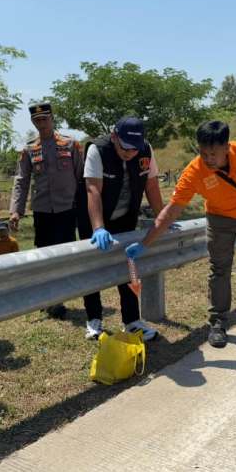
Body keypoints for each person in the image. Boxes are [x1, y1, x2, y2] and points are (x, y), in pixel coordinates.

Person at [126, 120, 236, 349]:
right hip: (219, 221)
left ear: (227, 147)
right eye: (202, 152)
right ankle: (218, 323)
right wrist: (145, 243)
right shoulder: (195, 171)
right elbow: (171, 211)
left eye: (213, 154)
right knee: (219, 270)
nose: (207, 159)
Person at [78, 117, 164, 341]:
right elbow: (93, 190)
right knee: (92, 267)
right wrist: (98, 228)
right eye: (124, 147)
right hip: (95, 218)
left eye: (134, 149)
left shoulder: (146, 151)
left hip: (126, 217)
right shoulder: (98, 150)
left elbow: (152, 185)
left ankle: (132, 321)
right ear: (114, 136)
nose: (129, 153)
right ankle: (94, 319)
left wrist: (162, 217)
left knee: (129, 267)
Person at [9, 103, 84, 319]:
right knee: (44, 255)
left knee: (64, 256)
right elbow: (21, 181)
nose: (41, 123)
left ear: (52, 119)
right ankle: (50, 299)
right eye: (37, 120)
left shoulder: (71, 145)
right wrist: (16, 210)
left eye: (45, 119)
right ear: (33, 122)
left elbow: (81, 178)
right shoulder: (29, 149)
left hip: (66, 210)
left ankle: (59, 297)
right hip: (42, 212)